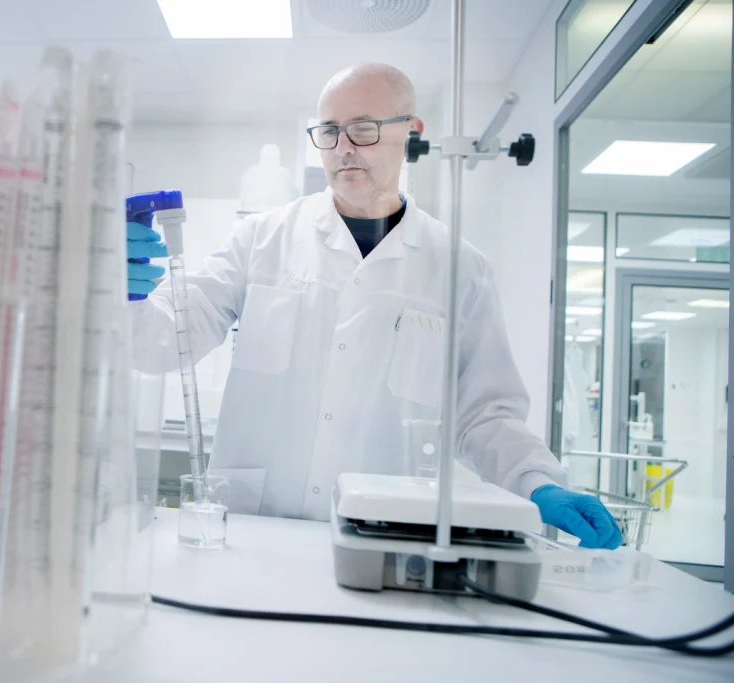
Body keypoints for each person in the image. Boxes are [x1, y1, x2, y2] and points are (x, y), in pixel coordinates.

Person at [126, 63, 622, 549]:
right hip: (255, 528)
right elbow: (164, 342)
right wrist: (124, 294)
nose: (343, 148)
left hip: (379, 537)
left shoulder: (458, 268)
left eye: (362, 129)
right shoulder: (262, 239)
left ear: (412, 132)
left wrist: (538, 482)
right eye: (329, 131)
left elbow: (484, 414)